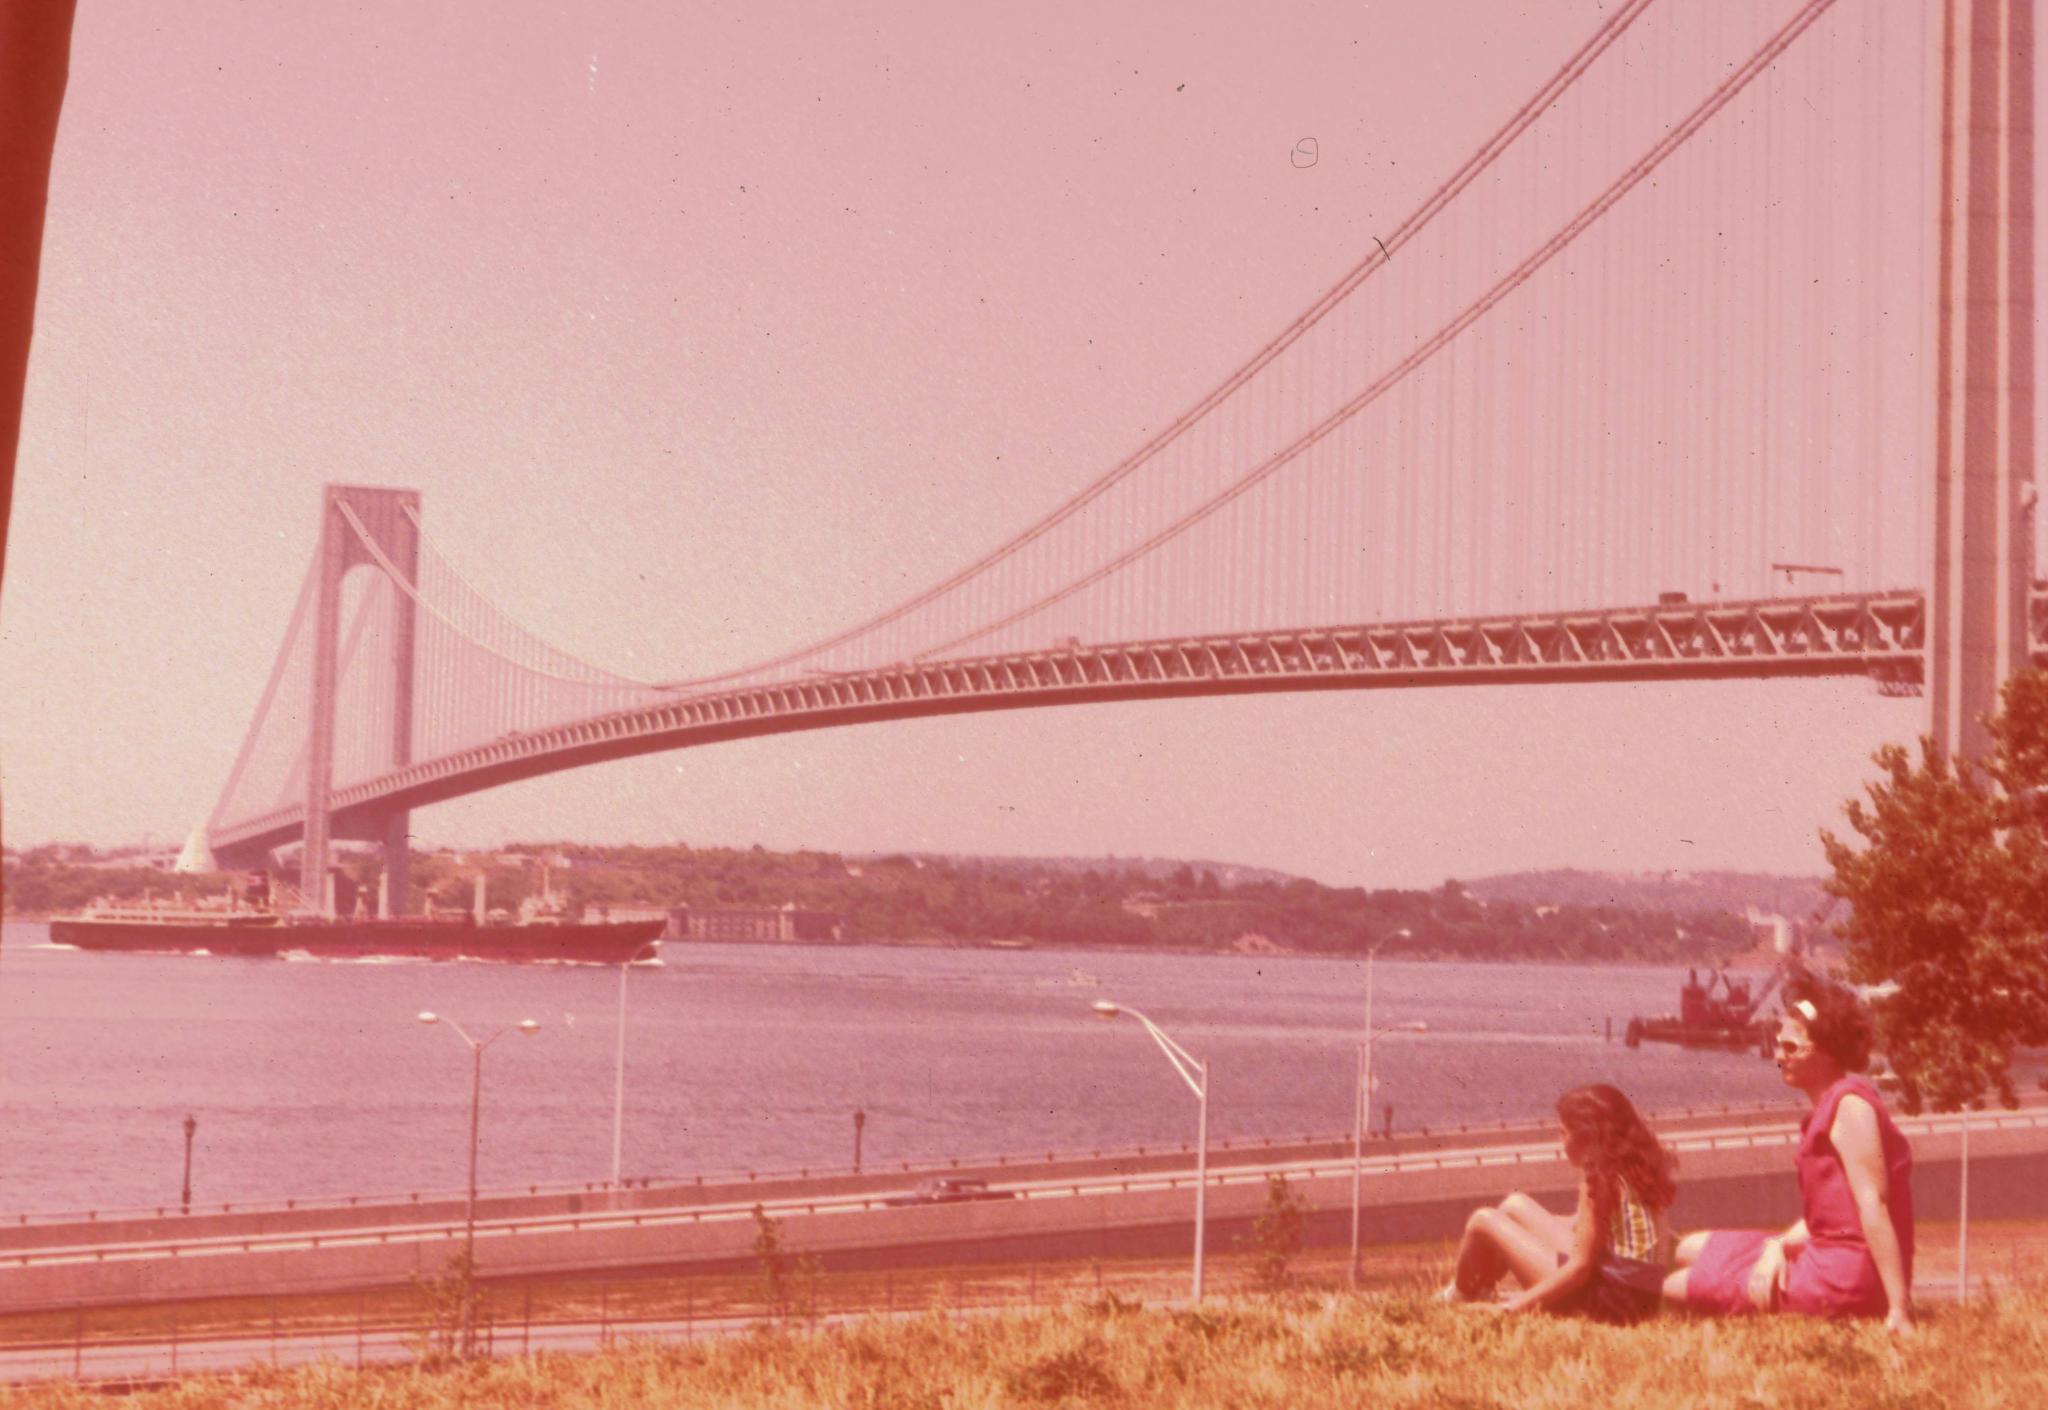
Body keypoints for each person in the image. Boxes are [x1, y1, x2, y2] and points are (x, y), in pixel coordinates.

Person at [1662, 973, 1915, 1334]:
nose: (1779, 1056)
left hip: (1843, 1279)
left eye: (1792, 1048)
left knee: (1674, 1286)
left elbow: (1874, 1206)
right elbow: (1831, 1217)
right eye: (1779, 1045)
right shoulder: (1833, 1105)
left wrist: (1897, 1308)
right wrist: (1778, 1247)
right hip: (1827, 1252)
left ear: (1827, 1052)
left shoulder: (1850, 1108)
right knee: (1687, 1247)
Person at [1442, 1083, 1676, 1322]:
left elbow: (1580, 1268)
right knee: (1515, 1205)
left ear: (1586, 1135)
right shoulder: (1634, 1165)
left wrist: (1511, 1308)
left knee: (1483, 1219)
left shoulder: (1598, 1176)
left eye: (1563, 1132)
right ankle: (1483, 1288)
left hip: (1608, 1305)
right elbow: (1587, 1227)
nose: (1559, 1140)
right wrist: (1522, 1232)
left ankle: (1460, 1294)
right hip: (1640, 1299)